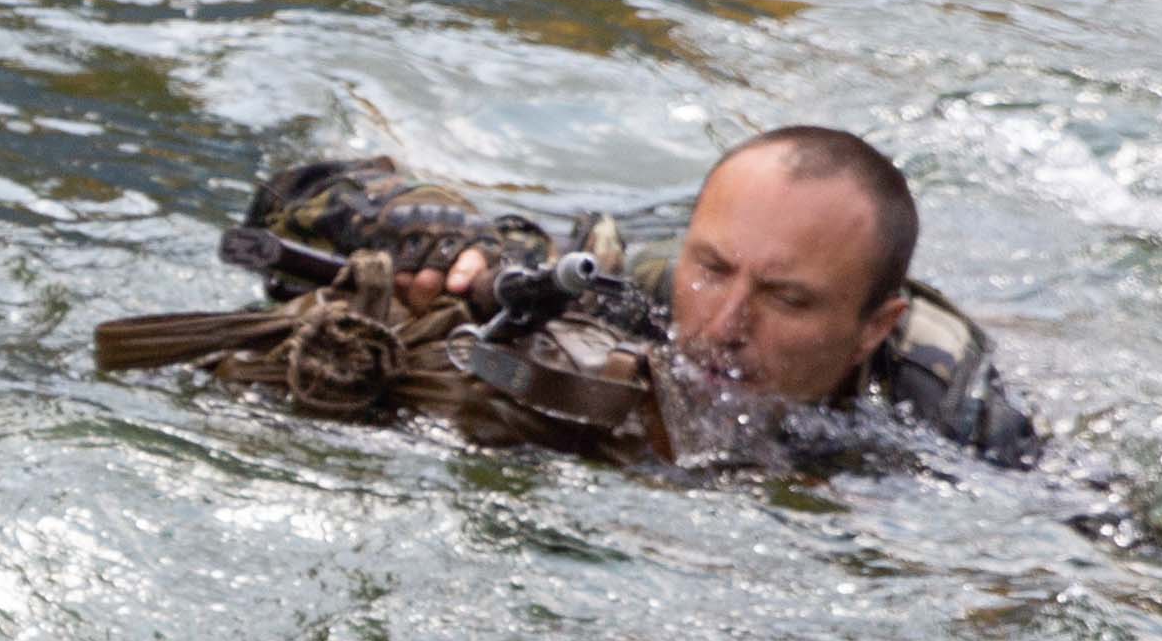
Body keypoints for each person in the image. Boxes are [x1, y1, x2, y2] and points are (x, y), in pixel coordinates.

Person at [99, 125, 1038, 468]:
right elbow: (301, 189)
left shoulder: (947, 405)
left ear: (874, 325)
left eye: (787, 300)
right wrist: (441, 241)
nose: (726, 323)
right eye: (716, 271)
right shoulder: (629, 280)